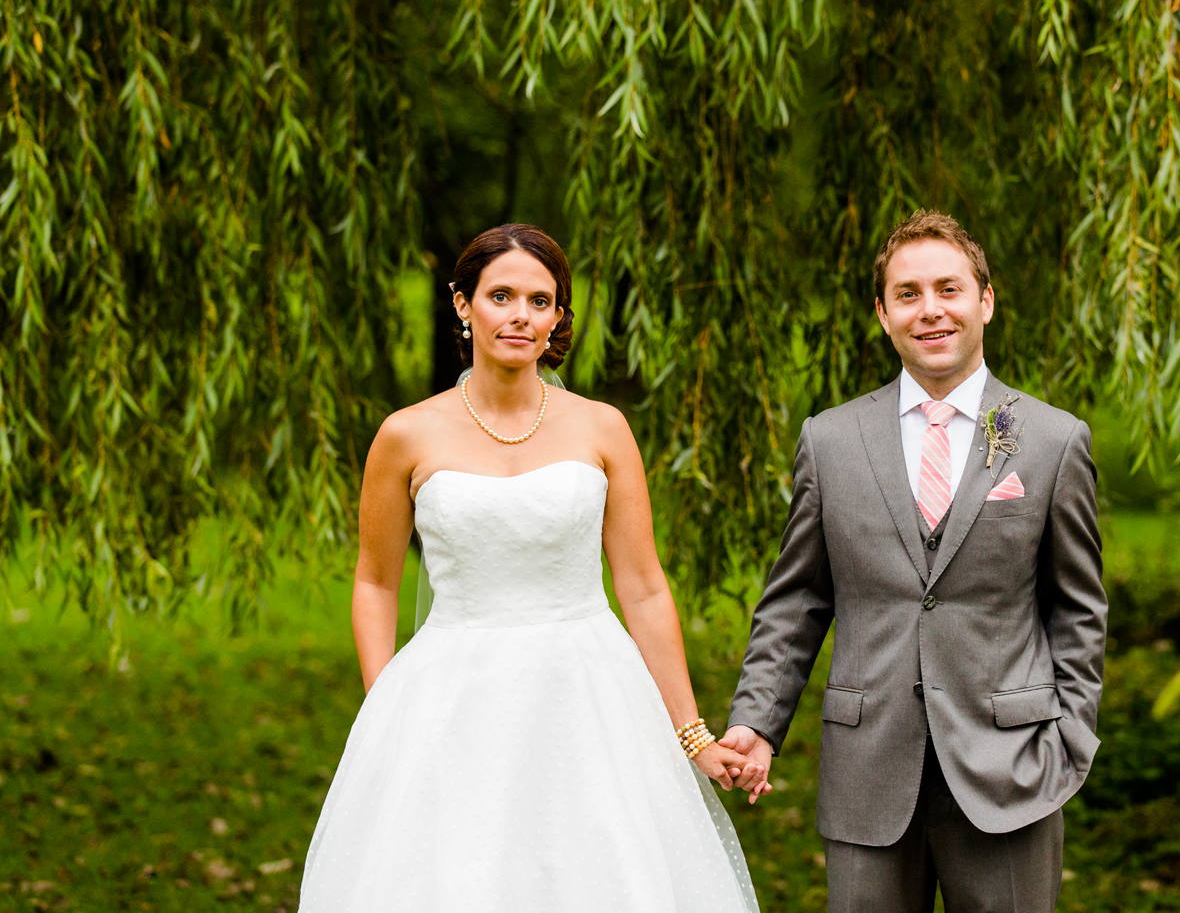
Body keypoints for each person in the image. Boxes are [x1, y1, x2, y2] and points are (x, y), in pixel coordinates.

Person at [299, 224, 761, 912]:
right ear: (463, 305)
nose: (521, 316)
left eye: (541, 301)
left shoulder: (602, 429)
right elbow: (375, 581)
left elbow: (641, 585)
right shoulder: (406, 435)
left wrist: (691, 731)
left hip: (589, 693)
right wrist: (385, 712)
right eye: (502, 296)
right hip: (451, 693)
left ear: (557, 317)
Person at [721, 210, 1108, 913]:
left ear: (985, 301)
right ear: (883, 313)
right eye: (908, 294)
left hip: (1012, 774)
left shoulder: (1051, 441)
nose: (930, 309)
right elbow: (797, 600)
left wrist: (1069, 738)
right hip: (868, 773)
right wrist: (756, 720)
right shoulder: (830, 440)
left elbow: (1078, 608)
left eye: (949, 289)